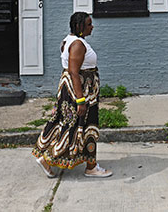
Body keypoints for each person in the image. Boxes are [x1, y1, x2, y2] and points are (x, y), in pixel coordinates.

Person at [32, 12, 112, 178]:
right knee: (85, 126)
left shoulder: (68, 40)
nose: (92, 27)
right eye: (89, 24)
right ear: (79, 27)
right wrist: (81, 100)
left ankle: (48, 155)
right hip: (80, 92)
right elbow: (75, 73)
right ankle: (89, 167)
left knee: (64, 124)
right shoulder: (78, 45)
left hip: (71, 90)